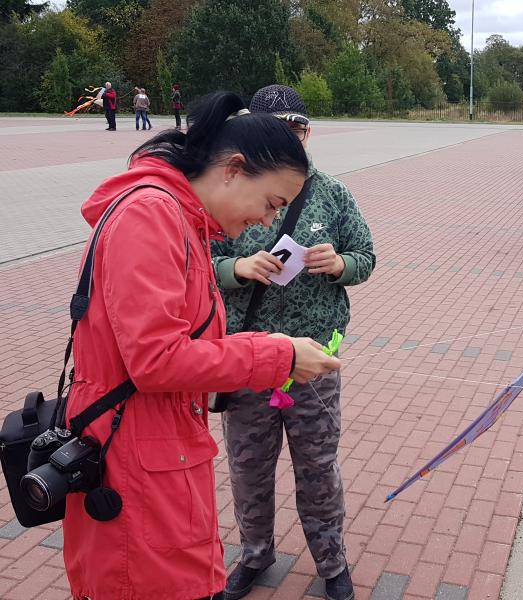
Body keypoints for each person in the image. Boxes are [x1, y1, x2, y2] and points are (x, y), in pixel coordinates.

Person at [62, 91, 341, 600]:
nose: (265, 222)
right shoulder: (151, 215)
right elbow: (157, 360)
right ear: (234, 169)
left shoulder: (181, 218)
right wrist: (278, 354)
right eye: (270, 203)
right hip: (134, 458)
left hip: (155, 449)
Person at [211, 84, 375, 600]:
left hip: (312, 362)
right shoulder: (227, 190)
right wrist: (236, 268)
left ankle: (332, 563)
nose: (294, 137)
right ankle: (255, 554)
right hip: (247, 357)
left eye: (299, 128)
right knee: (247, 467)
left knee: (318, 467)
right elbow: (194, 265)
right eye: (282, 129)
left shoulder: (331, 191)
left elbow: (366, 256)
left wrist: (340, 265)